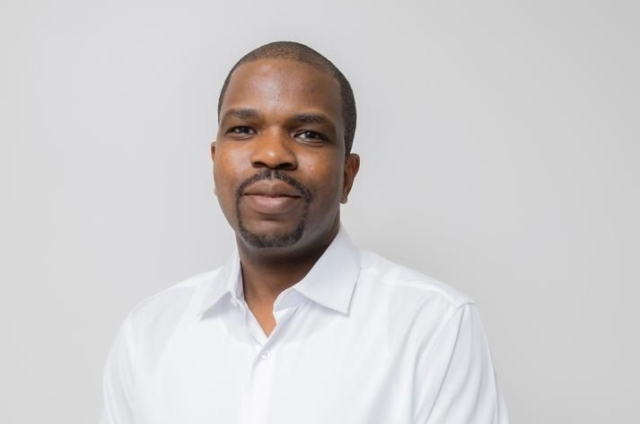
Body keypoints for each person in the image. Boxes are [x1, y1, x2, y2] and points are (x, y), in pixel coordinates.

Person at [100, 41, 509, 424]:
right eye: (243, 129)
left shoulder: (434, 325)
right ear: (215, 161)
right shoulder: (148, 334)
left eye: (309, 134)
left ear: (348, 175)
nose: (272, 154)